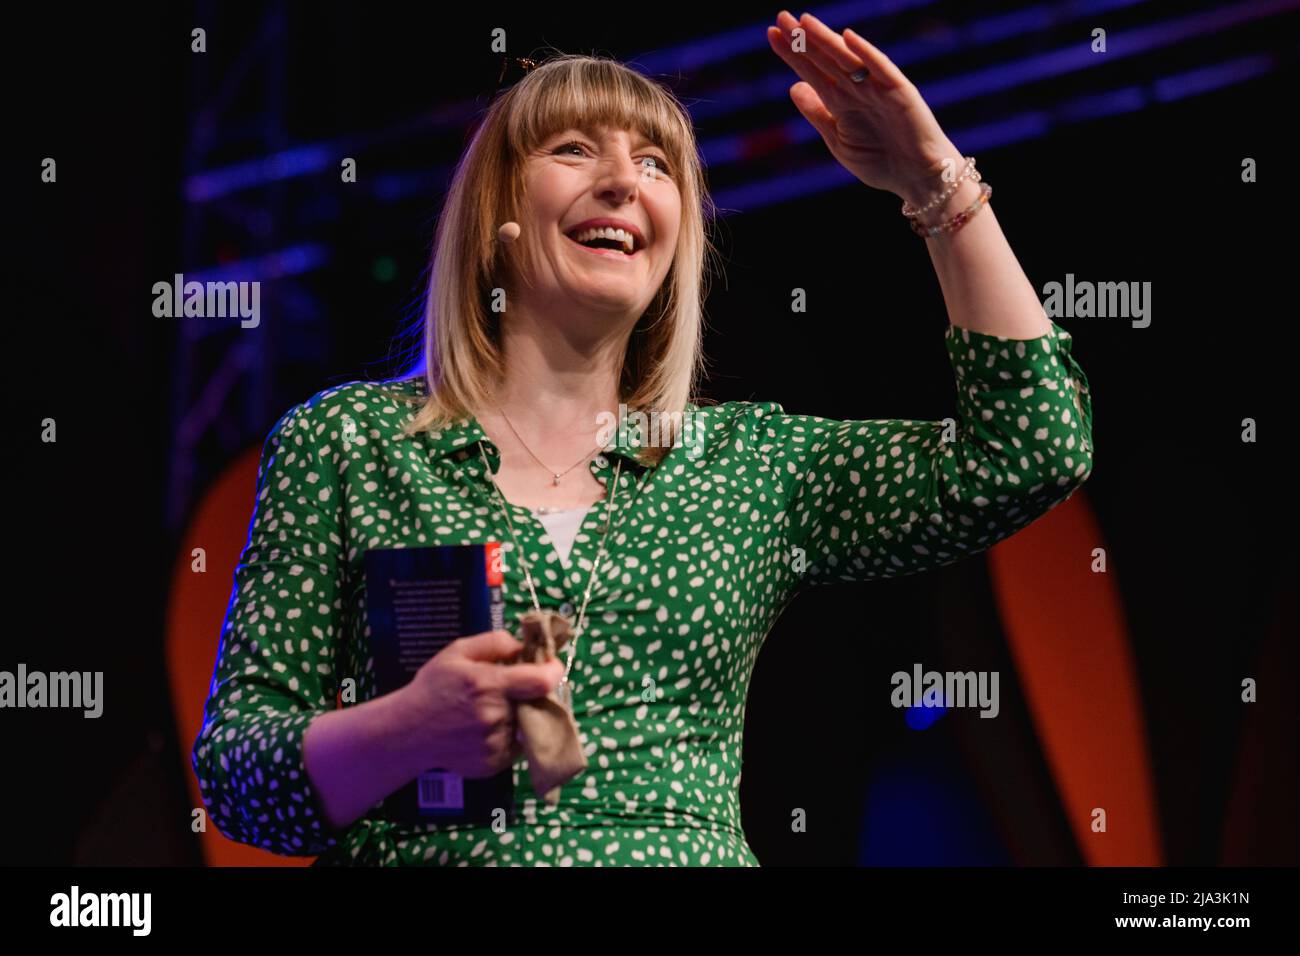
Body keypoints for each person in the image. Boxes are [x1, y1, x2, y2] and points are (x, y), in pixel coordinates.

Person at [192, 13, 1094, 866]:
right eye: (575, 149)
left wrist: (937, 183)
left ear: (674, 242)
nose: (623, 180)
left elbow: (1030, 449)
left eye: (657, 163)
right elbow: (238, 772)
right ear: (499, 216)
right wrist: (409, 728)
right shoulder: (350, 443)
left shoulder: (744, 466)